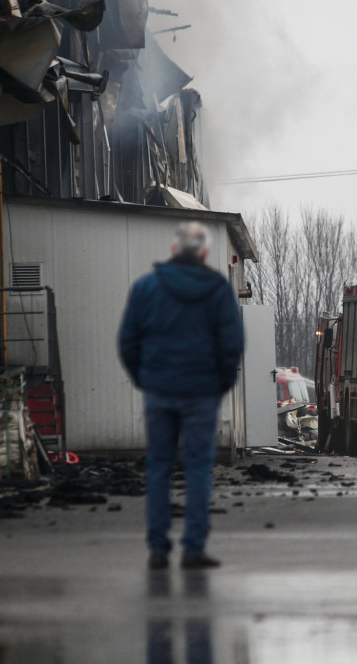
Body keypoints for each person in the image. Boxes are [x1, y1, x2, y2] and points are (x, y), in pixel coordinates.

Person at [118, 221, 245, 570]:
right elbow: (232, 343)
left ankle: (158, 550)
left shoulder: (146, 287)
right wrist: (219, 383)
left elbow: (128, 341)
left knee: (159, 467)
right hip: (202, 393)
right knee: (199, 468)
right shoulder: (217, 289)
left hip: (159, 390)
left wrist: (144, 379)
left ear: (174, 249)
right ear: (203, 252)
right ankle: (193, 549)